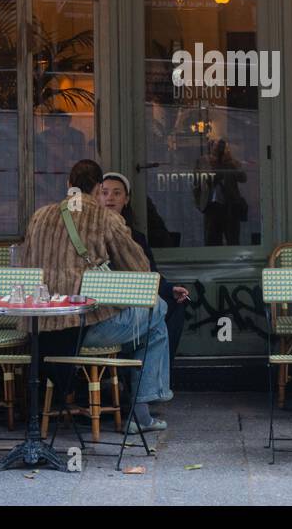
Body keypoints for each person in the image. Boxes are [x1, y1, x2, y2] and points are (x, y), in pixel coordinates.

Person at [23, 159, 172, 433]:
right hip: (84, 327)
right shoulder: (105, 218)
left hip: (40, 327)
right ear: (98, 188)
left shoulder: (40, 215)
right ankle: (142, 411)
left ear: (69, 185)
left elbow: (26, 264)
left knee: (155, 324)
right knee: (158, 310)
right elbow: (140, 270)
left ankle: (138, 410)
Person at [97, 171, 190, 357]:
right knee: (156, 313)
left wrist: (170, 289)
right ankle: (148, 381)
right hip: (104, 307)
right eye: (104, 192)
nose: (110, 198)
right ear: (96, 197)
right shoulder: (91, 234)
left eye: (117, 193)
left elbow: (150, 273)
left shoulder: (136, 237)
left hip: (134, 298)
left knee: (175, 304)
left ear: (126, 199)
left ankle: (156, 376)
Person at [192, 137, 248, 245]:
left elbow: (243, 178)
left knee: (232, 239)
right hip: (211, 205)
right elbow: (197, 183)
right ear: (211, 147)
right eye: (217, 146)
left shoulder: (231, 162)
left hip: (230, 205)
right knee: (212, 240)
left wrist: (230, 165)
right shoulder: (203, 161)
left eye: (222, 146)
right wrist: (200, 203)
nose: (219, 149)